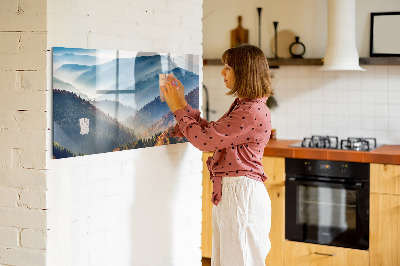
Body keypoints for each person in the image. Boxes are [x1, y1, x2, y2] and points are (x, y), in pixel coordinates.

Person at [161, 44, 273, 266]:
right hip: (236, 193)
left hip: (241, 196)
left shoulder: (250, 111)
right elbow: (212, 133)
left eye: (228, 67)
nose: (222, 72)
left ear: (244, 72)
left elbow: (204, 141)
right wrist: (182, 103)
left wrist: (176, 108)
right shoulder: (246, 106)